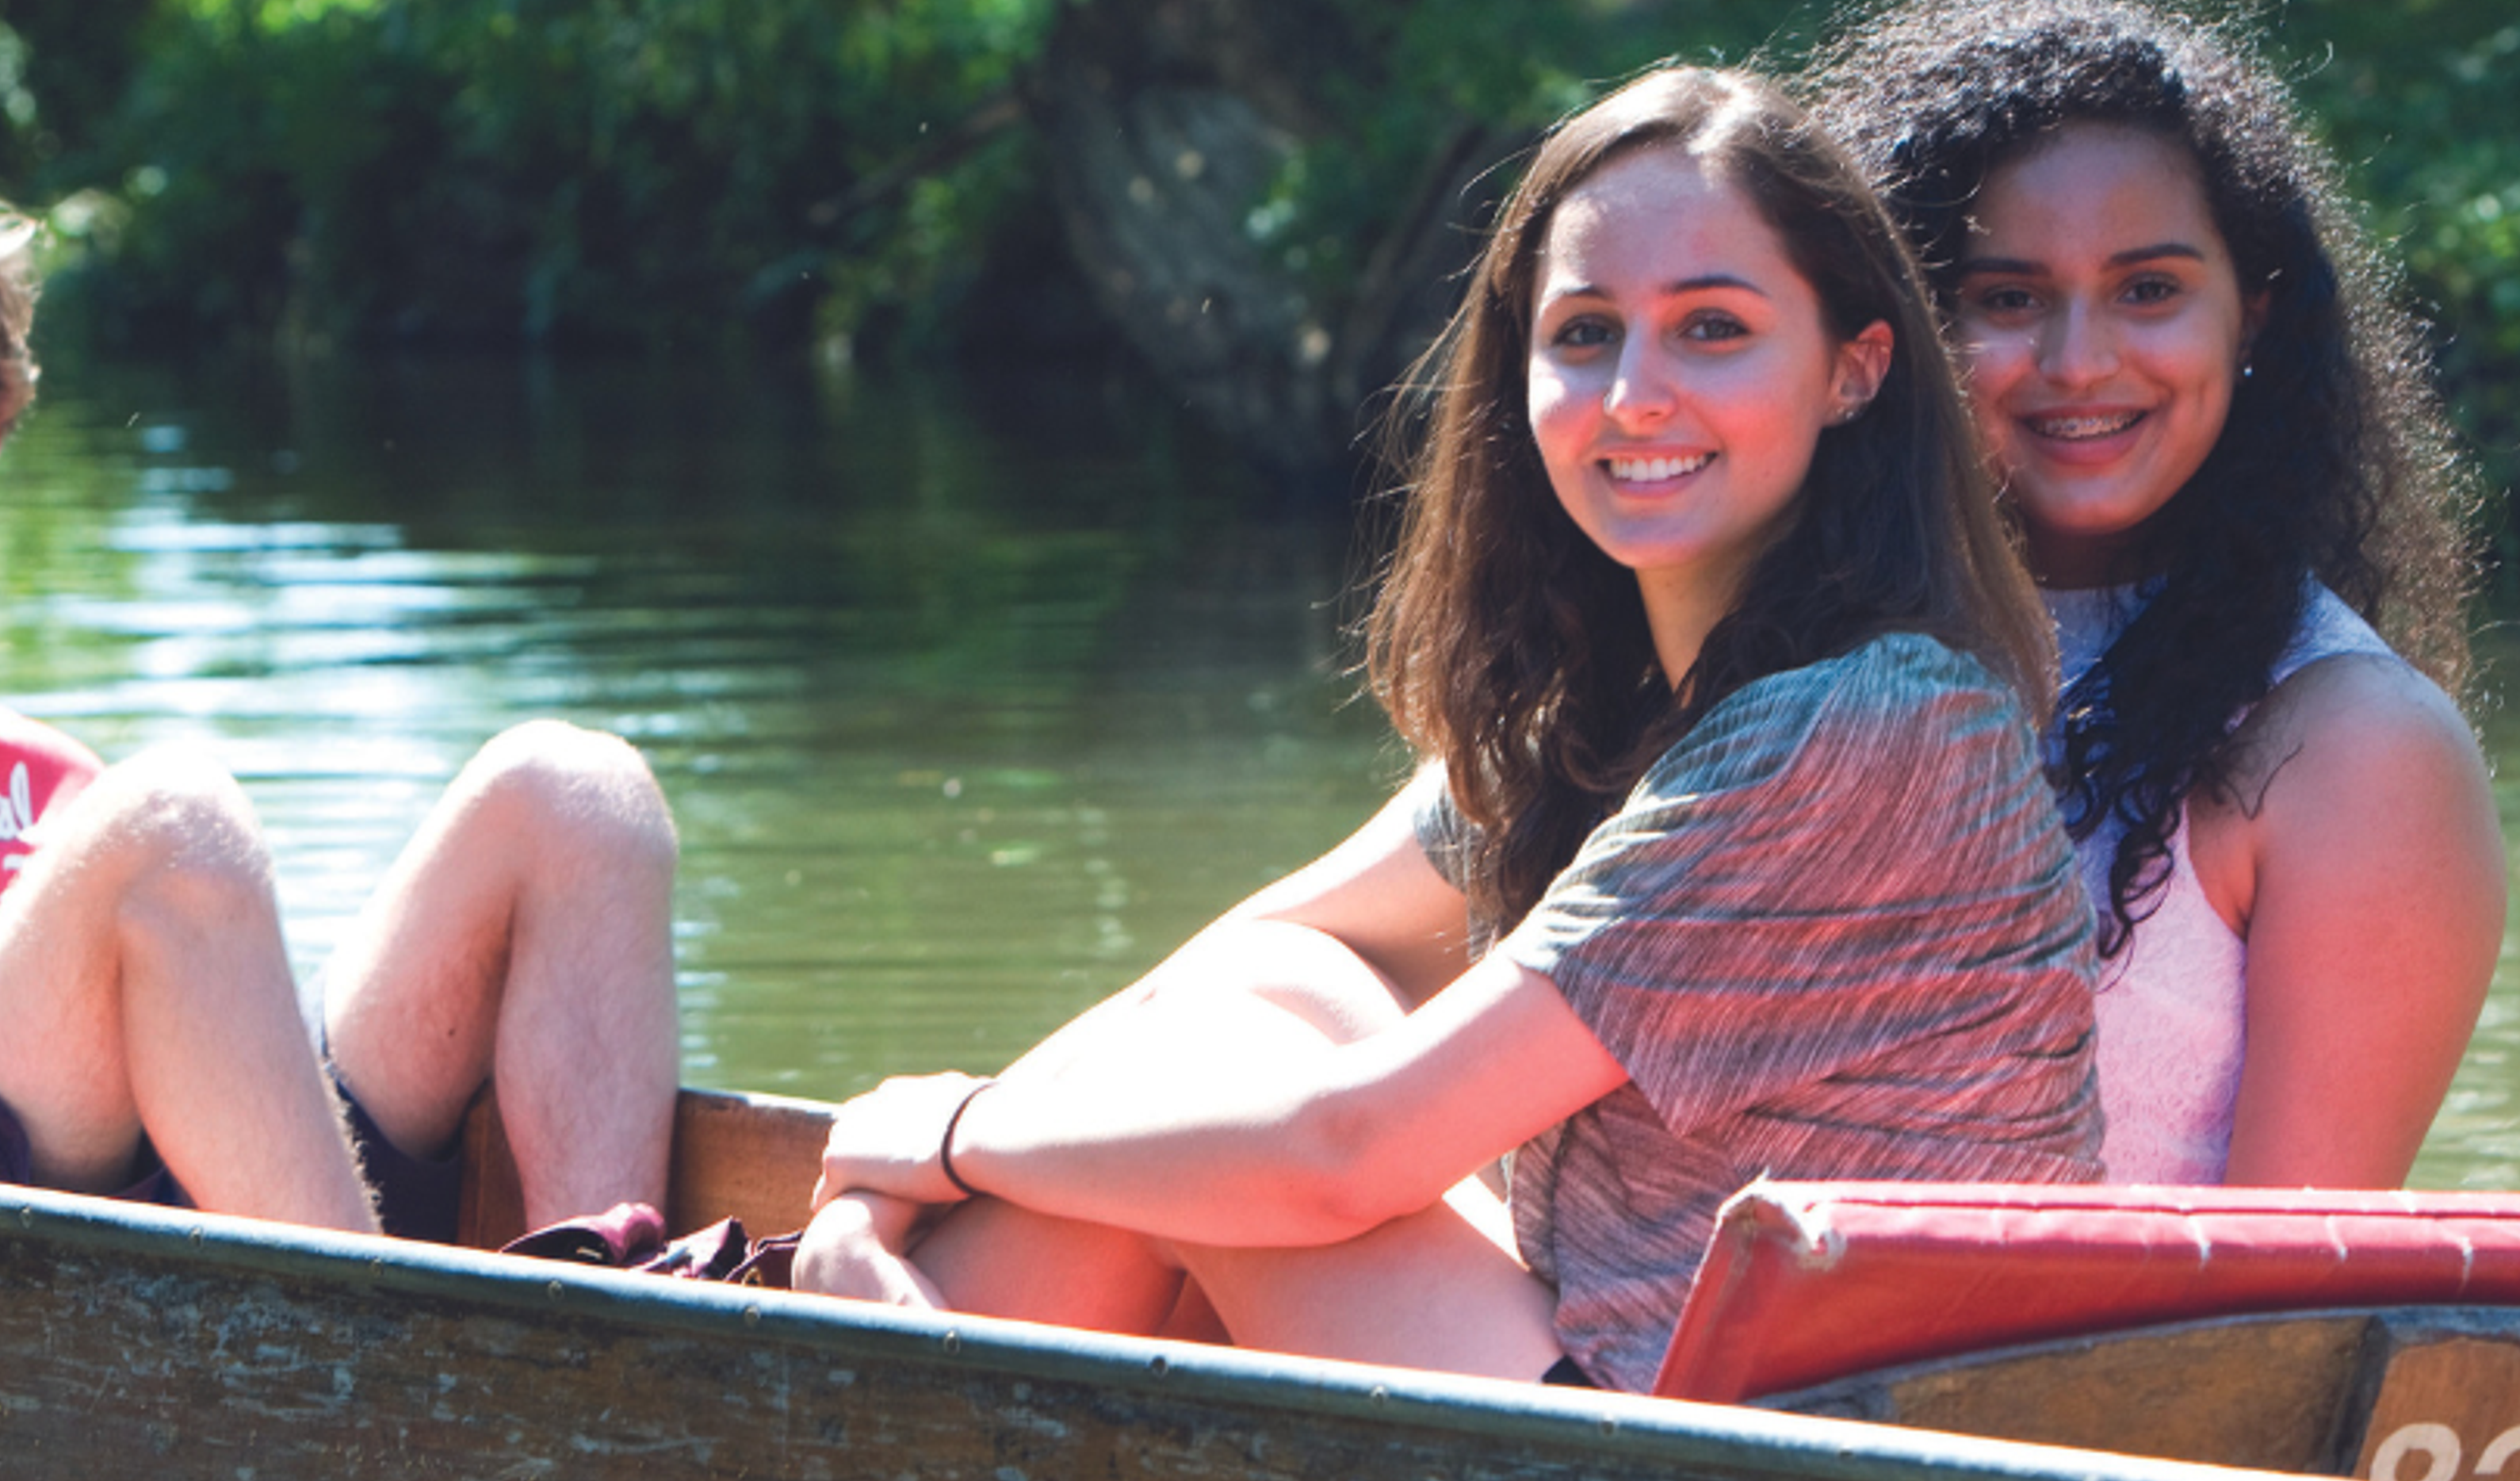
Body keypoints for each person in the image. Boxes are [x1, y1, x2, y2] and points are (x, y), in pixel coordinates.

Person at [793, 67, 2100, 1393]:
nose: (1634, 394)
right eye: (1584, 333)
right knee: (1265, 988)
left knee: (1215, 1093)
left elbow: (1348, 1156)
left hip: (1767, 1475)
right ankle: (906, 1375)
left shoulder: (1865, 727)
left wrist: (953, 1136)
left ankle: (887, 1410)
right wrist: (889, 1178)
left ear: (1853, 370)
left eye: (1712, 328)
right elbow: (1232, 960)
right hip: (1645, 1399)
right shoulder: (1611, 708)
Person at [0, 160, 679, 1238]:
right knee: (175, 820)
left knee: (577, 791)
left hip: (154, 1211)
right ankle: (368, 1343)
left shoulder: (60, 784)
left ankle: (618, 1309)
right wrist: (70, 1026)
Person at [1803, 0, 2504, 1190]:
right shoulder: (1778, 638)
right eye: (2007, 296)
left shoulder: (2353, 744)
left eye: (2149, 290)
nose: (2080, 360)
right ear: (1897, 331)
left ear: (2255, 317)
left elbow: (2289, 1290)